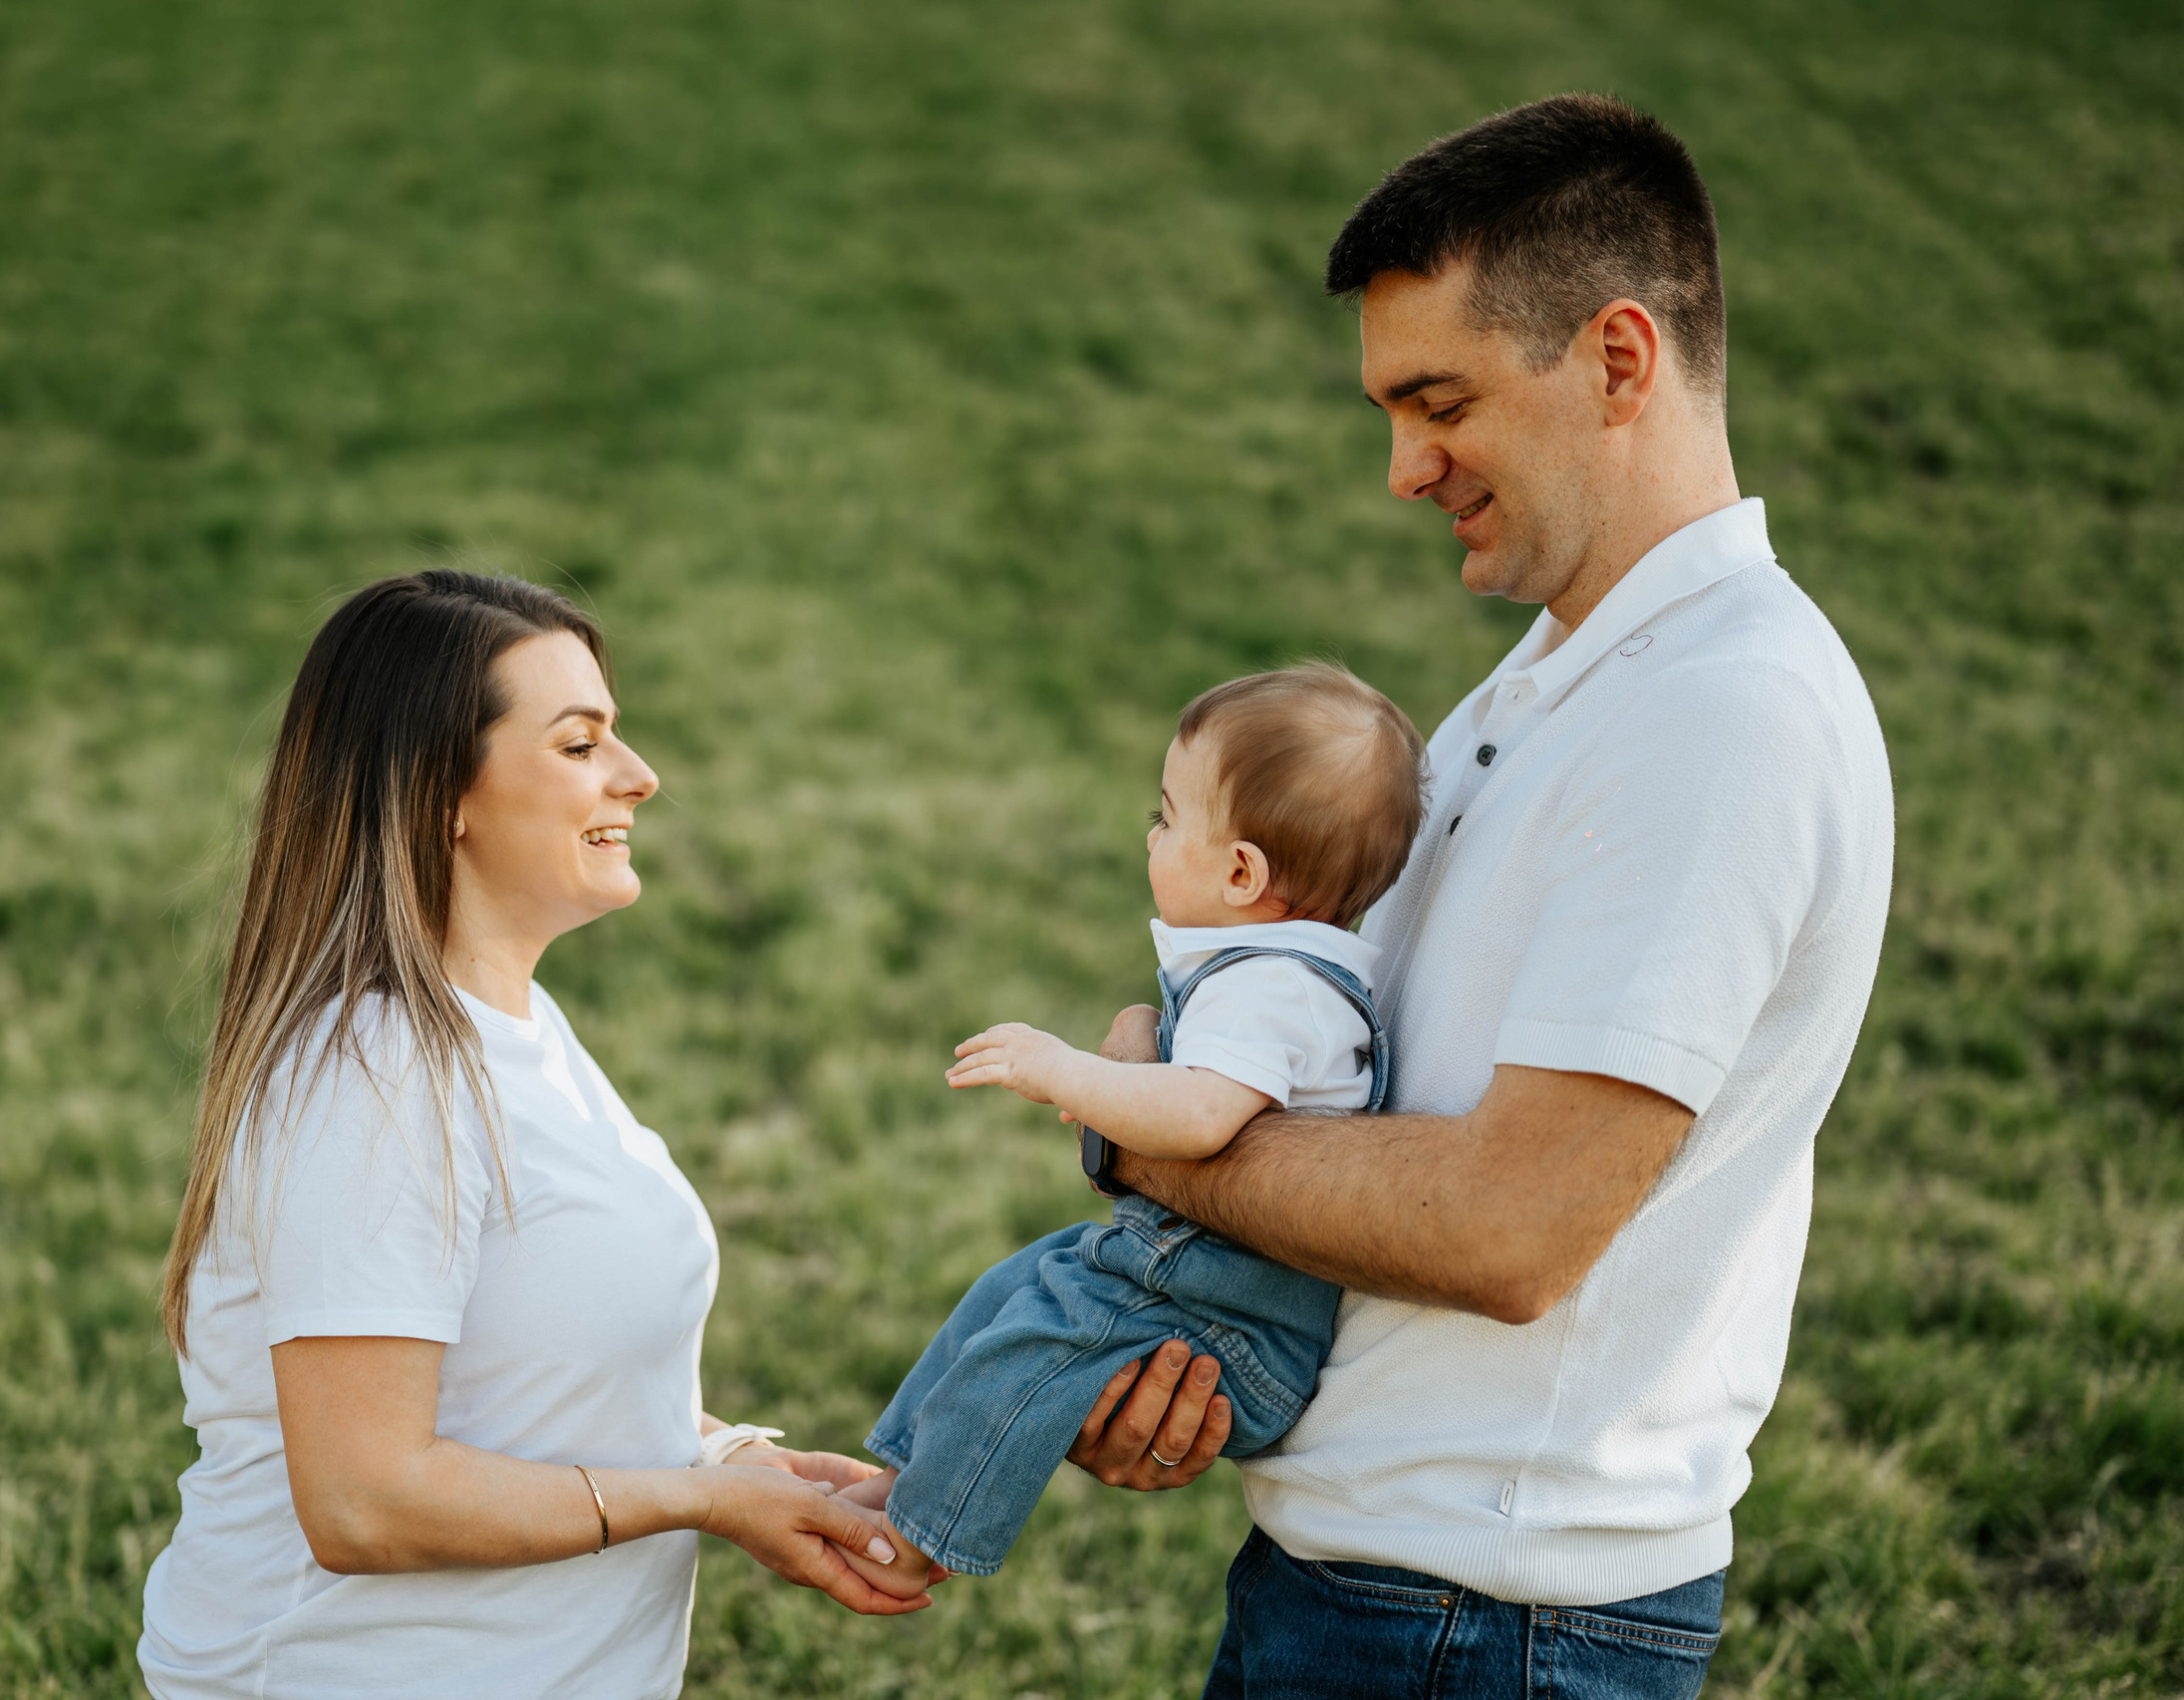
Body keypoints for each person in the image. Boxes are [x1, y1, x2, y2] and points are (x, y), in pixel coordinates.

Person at [1061, 94, 1896, 1697]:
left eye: (1440, 402)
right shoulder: (1563, 675)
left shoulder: (1722, 712)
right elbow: (1390, 1088)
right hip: (1396, 1591)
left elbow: (1511, 1226)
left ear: (1620, 360)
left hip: (1492, 1625)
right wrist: (1198, 1337)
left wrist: (1146, 1135)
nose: (1403, 468)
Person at [136, 572, 922, 1700]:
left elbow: (532, 1375)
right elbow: (363, 1500)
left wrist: (742, 1460)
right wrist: (700, 1500)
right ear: (439, 793)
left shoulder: (515, 1026)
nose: (639, 774)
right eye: (579, 743)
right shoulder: (372, 1079)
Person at [836, 664, 1428, 1595]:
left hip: (1236, 1328)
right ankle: (912, 1476)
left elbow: (1198, 1118)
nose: (1150, 835)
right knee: (1016, 1285)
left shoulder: (1270, 988)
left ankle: (919, 1540)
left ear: (1241, 872)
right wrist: (1144, 1033)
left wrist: (1064, 1069)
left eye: (1167, 817)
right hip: (1186, 1288)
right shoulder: (1273, 975)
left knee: (1039, 1341)